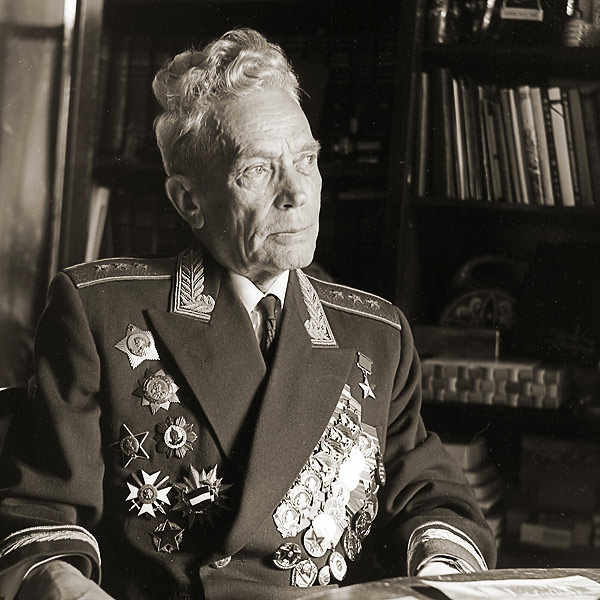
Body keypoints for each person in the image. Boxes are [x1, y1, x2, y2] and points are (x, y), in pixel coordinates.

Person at [0, 28, 496, 600]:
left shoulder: (376, 336)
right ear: (189, 200)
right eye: (257, 170)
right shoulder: (100, 312)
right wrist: (65, 585)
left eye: (305, 160)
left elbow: (433, 500)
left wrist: (439, 573)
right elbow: (40, 514)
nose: (296, 193)